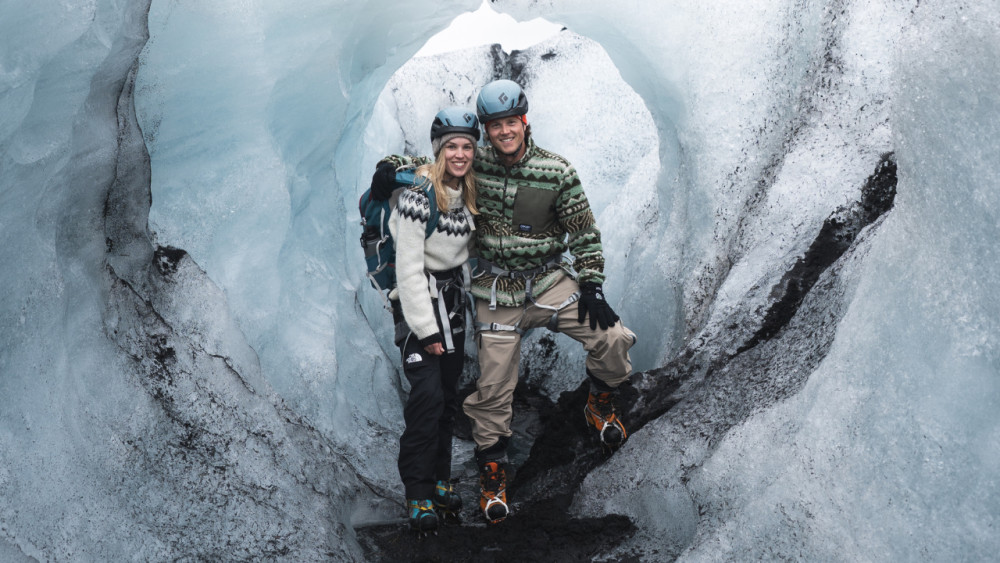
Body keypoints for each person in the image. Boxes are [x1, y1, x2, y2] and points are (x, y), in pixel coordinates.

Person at [372, 80, 636, 526]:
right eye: (495, 126)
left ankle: (600, 400)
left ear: (524, 122)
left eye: (510, 122)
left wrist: (591, 284)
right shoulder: (476, 162)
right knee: (493, 389)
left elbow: (585, 233)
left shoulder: (557, 172)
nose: (504, 132)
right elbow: (430, 164)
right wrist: (389, 167)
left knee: (612, 337)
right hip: (496, 291)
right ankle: (493, 471)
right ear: (487, 131)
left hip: (550, 282)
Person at [379, 107, 480, 533]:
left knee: (447, 398)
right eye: (451, 146)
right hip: (418, 306)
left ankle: (440, 481)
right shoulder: (419, 197)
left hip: (452, 305)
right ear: (439, 150)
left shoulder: (468, 194)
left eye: (467, 147)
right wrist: (426, 329)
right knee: (427, 398)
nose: (459, 154)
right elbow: (407, 269)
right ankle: (417, 493)